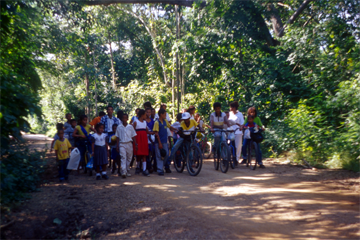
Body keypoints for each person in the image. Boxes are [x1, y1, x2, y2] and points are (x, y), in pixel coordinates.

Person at [153, 108, 178, 175]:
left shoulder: (165, 121)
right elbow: (156, 133)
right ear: (161, 114)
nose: (165, 115)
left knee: (166, 154)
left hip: (165, 141)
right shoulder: (156, 122)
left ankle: (160, 166)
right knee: (159, 156)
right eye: (164, 114)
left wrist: (176, 129)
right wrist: (159, 143)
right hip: (159, 142)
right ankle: (160, 170)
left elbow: (170, 127)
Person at [132, 109, 153, 176]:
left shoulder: (144, 123)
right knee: (138, 154)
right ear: (142, 115)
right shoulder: (136, 122)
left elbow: (147, 131)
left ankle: (144, 169)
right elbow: (132, 132)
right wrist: (135, 142)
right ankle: (138, 167)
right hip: (138, 140)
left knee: (144, 154)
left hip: (144, 140)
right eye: (145, 114)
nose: (146, 115)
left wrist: (153, 133)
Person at [116, 113, 137, 178]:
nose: (124, 119)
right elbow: (117, 137)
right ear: (121, 119)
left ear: (127, 119)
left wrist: (136, 144)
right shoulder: (119, 127)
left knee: (129, 158)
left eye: (125, 118)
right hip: (122, 144)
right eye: (123, 118)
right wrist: (117, 146)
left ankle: (127, 169)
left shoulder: (130, 127)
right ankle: (124, 171)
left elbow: (133, 136)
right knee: (123, 157)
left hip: (129, 143)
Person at [145, 108, 156, 173]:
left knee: (153, 152)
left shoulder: (153, 121)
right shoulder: (143, 121)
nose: (148, 113)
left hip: (152, 138)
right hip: (145, 138)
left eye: (149, 112)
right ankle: (148, 167)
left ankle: (153, 165)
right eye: (147, 112)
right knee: (147, 154)